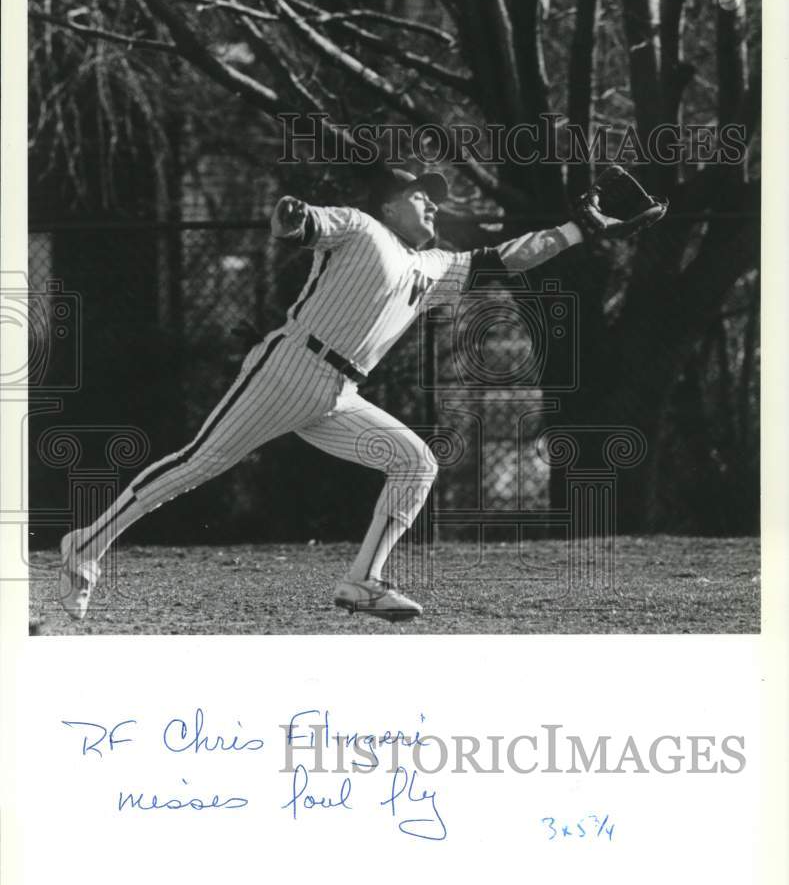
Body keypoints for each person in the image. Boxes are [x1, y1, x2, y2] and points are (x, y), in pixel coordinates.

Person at [59, 168, 585, 622]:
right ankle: (86, 545)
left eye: (434, 197)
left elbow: (510, 257)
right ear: (388, 205)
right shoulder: (362, 227)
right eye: (421, 195)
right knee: (197, 462)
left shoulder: (436, 266)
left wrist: (578, 228)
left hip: (338, 392)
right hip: (290, 366)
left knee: (416, 462)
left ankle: (363, 580)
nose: (433, 203)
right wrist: (290, 215)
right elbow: (303, 223)